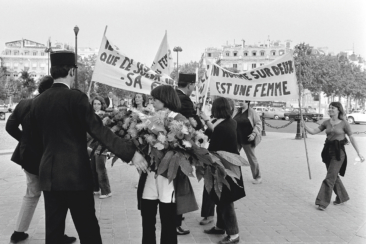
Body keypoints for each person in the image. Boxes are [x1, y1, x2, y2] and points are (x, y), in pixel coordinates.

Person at [30, 51, 148, 244]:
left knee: (53, 231)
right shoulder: (76, 98)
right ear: (72, 72)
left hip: (49, 176)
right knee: (88, 230)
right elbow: (99, 130)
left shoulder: (37, 102)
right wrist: (131, 154)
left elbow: (34, 141)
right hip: (76, 175)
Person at [6, 76, 76, 244]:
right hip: (50, 157)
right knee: (56, 198)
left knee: (31, 194)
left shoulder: (24, 103)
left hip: (28, 158)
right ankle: (57, 235)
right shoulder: (53, 105)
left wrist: (25, 141)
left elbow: (10, 127)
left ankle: (19, 231)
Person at [137, 85, 198, 244]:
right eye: (151, 99)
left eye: (154, 99)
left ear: (165, 99)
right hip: (150, 174)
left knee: (168, 221)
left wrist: (166, 139)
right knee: (147, 218)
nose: (152, 102)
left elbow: (189, 145)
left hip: (168, 176)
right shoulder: (149, 117)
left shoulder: (179, 118)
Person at [303, 102, 364, 211]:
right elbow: (313, 132)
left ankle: (322, 202)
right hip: (327, 151)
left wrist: (359, 153)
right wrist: (304, 125)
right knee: (333, 176)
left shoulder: (344, 123)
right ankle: (342, 197)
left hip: (338, 153)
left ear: (338, 110)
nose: (330, 109)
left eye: (333, 108)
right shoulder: (326, 122)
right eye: (329, 107)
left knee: (330, 177)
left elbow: (352, 137)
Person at [199, 97, 245, 244]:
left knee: (226, 200)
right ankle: (220, 226)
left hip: (224, 166)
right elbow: (209, 132)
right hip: (227, 165)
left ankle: (234, 234)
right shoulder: (227, 122)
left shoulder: (223, 126)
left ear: (217, 108)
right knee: (220, 197)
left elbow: (212, 148)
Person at [175, 73, 204, 235]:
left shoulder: (173, 95)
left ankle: (176, 215)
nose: (194, 88)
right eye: (194, 85)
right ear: (190, 85)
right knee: (181, 182)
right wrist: (202, 120)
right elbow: (192, 121)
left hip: (172, 143)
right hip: (182, 146)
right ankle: (176, 220)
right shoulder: (185, 99)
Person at [232, 100, 263, 184]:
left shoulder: (252, 112)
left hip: (248, 139)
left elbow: (259, 123)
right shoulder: (236, 111)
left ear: (247, 102)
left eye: (243, 101)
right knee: (233, 156)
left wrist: (254, 134)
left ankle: (257, 176)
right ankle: (233, 175)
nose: (241, 102)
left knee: (252, 158)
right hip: (237, 139)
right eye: (240, 100)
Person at [89, 96, 112, 199]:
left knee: (100, 168)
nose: (96, 106)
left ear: (102, 105)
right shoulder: (89, 115)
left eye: (98, 104)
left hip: (101, 145)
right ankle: (96, 188)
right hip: (91, 144)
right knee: (92, 167)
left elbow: (107, 131)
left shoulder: (106, 115)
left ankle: (106, 191)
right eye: (94, 104)